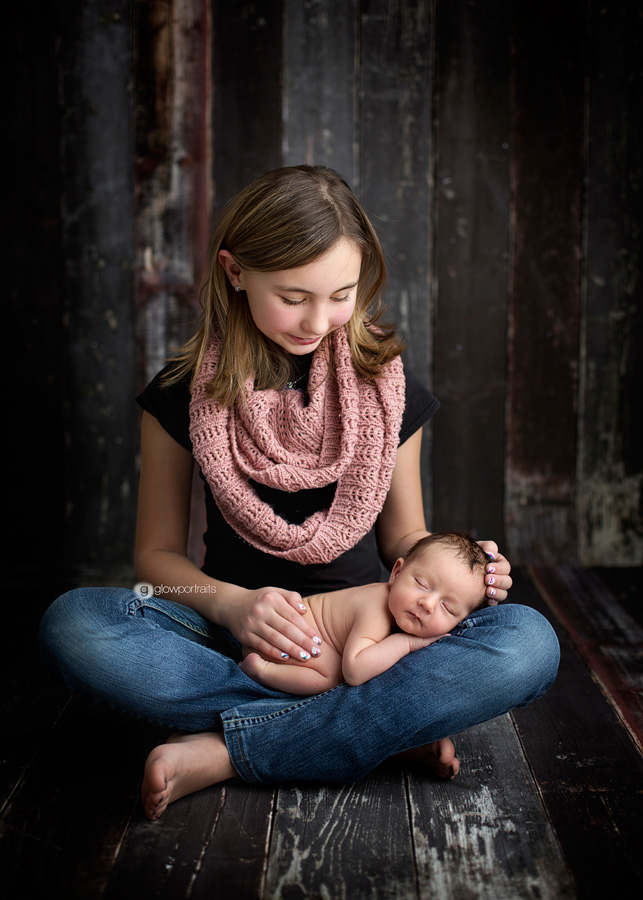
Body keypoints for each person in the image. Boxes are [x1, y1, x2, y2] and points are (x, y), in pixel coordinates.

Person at [38, 165, 559, 823]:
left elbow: (403, 540)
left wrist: (459, 570)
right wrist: (232, 606)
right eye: (293, 296)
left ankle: (232, 749)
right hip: (230, 634)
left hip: (371, 631)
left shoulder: (384, 385)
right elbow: (156, 562)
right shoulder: (179, 392)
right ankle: (380, 726)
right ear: (234, 271)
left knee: (527, 641)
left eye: (341, 294)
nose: (319, 319)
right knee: (75, 622)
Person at [239, 531, 494, 695]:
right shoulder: (376, 606)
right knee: (334, 676)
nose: (427, 603)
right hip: (281, 638)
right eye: (422, 585)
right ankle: (260, 671)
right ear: (396, 573)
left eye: (447, 608)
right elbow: (355, 671)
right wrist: (405, 642)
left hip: (293, 639)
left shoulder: (402, 611)